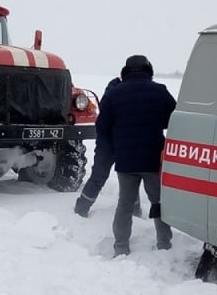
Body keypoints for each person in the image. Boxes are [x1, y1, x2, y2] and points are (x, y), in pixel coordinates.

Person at [96, 55, 176, 256]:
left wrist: (113, 147)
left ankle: (121, 247)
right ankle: (164, 245)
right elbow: (173, 120)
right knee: (159, 203)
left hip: (125, 160)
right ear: (148, 69)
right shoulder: (160, 91)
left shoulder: (114, 94)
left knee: (125, 204)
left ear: (125, 71)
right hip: (152, 159)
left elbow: (102, 125)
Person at [74, 70, 141, 218]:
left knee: (128, 179)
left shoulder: (114, 91)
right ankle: (81, 209)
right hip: (111, 144)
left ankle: (135, 212)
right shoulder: (116, 92)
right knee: (102, 176)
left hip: (117, 143)